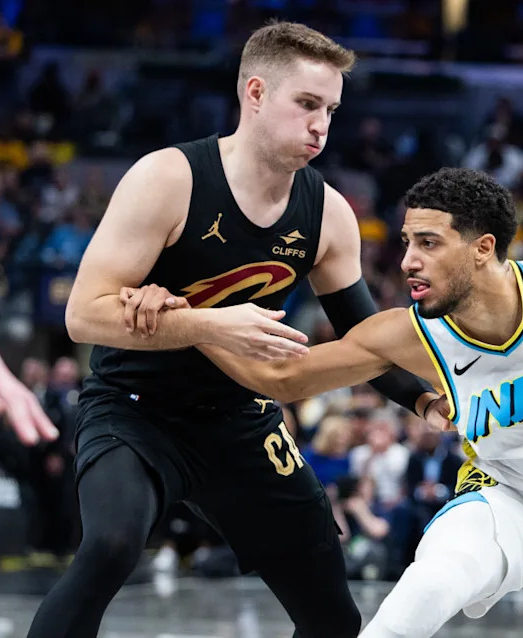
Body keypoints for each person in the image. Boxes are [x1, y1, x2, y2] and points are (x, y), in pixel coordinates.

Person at [138, 167, 523, 637]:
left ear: (483, 248)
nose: (407, 261)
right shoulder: (411, 334)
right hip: (509, 503)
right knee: (421, 594)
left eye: (428, 243)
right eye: (406, 242)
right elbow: (284, 380)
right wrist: (190, 319)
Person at [28, 21, 443, 638]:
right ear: (255, 93)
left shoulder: (328, 212)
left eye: (331, 110)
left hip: (240, 417)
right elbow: (82, 314)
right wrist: (210, 324)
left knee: (333, 612)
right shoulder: (168, 178)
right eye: (307, 104)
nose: (321, 125)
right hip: (136, 407)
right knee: (111, 545)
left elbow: (365, 336)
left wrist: (424, 400)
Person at [0, 348, 59, 445]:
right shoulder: (9, 393)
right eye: (28, 372)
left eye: (34, 372)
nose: (30, 375)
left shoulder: (52, 395)